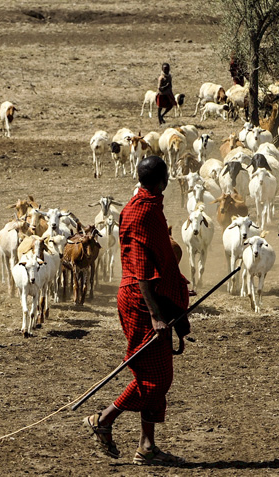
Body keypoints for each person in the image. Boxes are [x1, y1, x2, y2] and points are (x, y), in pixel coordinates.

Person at [84, 156, 189, 466]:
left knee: (152, 372)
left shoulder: (144, 205)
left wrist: (173, 291)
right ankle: (104, 419)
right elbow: (141, 271)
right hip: (141, 302)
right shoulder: (143, 212)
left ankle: (147, 447)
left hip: (150, 297)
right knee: (157, 379)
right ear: (162, 180)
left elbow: (157, 261)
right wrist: (156, 313)